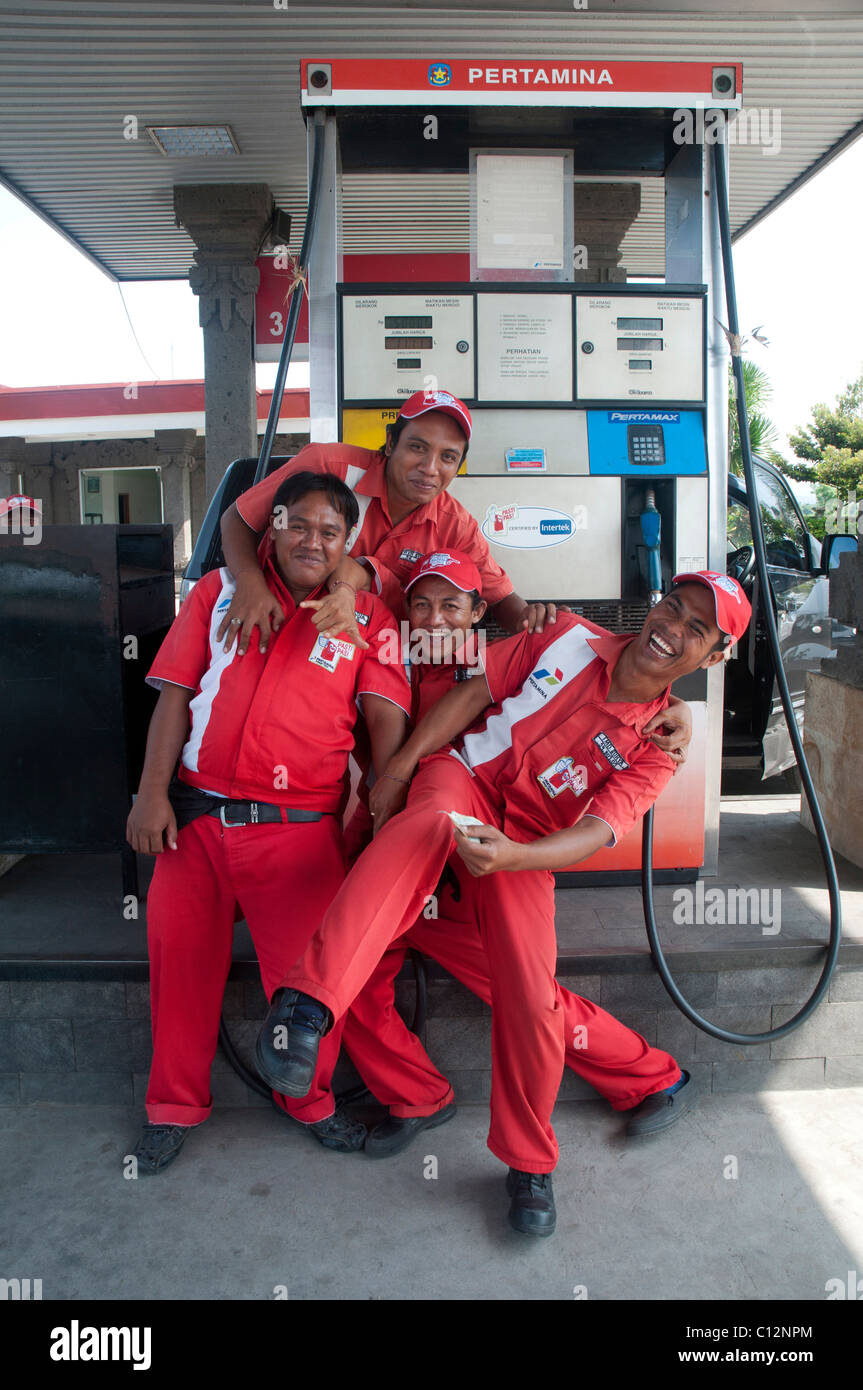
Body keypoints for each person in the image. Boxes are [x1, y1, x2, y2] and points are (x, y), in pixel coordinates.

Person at [255, 571, 752, 1237]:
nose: (671, 628)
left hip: (525, 846)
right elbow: (471, 695)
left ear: (715, 656)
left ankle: (529, 1162)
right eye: (672, 607)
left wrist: (514, 857)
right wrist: (400, 770)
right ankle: (308, 1005)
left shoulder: (660, 745)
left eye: (697, 629)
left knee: (526, 991)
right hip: (459, 785)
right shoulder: (566, 635)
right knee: (425, 827)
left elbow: (594, 832)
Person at [126, 472, 412, 1173]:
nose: (311, 541)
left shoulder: (368, 620)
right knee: (180, 972)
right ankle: (172, 1107)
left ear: (348, 546)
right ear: (271, 528)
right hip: (193, 820)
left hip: (296, 833)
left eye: (330, 532)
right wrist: (149, 795)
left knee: (306, 985)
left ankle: (308, 1102)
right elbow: (174, 700)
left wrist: (385, 814)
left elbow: (386, 723)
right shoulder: (215, 593)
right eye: (298, 524)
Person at [217, 388, 563, 658]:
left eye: (447, 457)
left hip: (356, 652)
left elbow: (500, 601)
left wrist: (537, 621)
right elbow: (238, 519)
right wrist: (250, 584)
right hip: (270, 622)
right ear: (390, 441)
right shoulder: (329, 465)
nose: (429, 467)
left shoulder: (455, 525)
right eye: (417, 447)